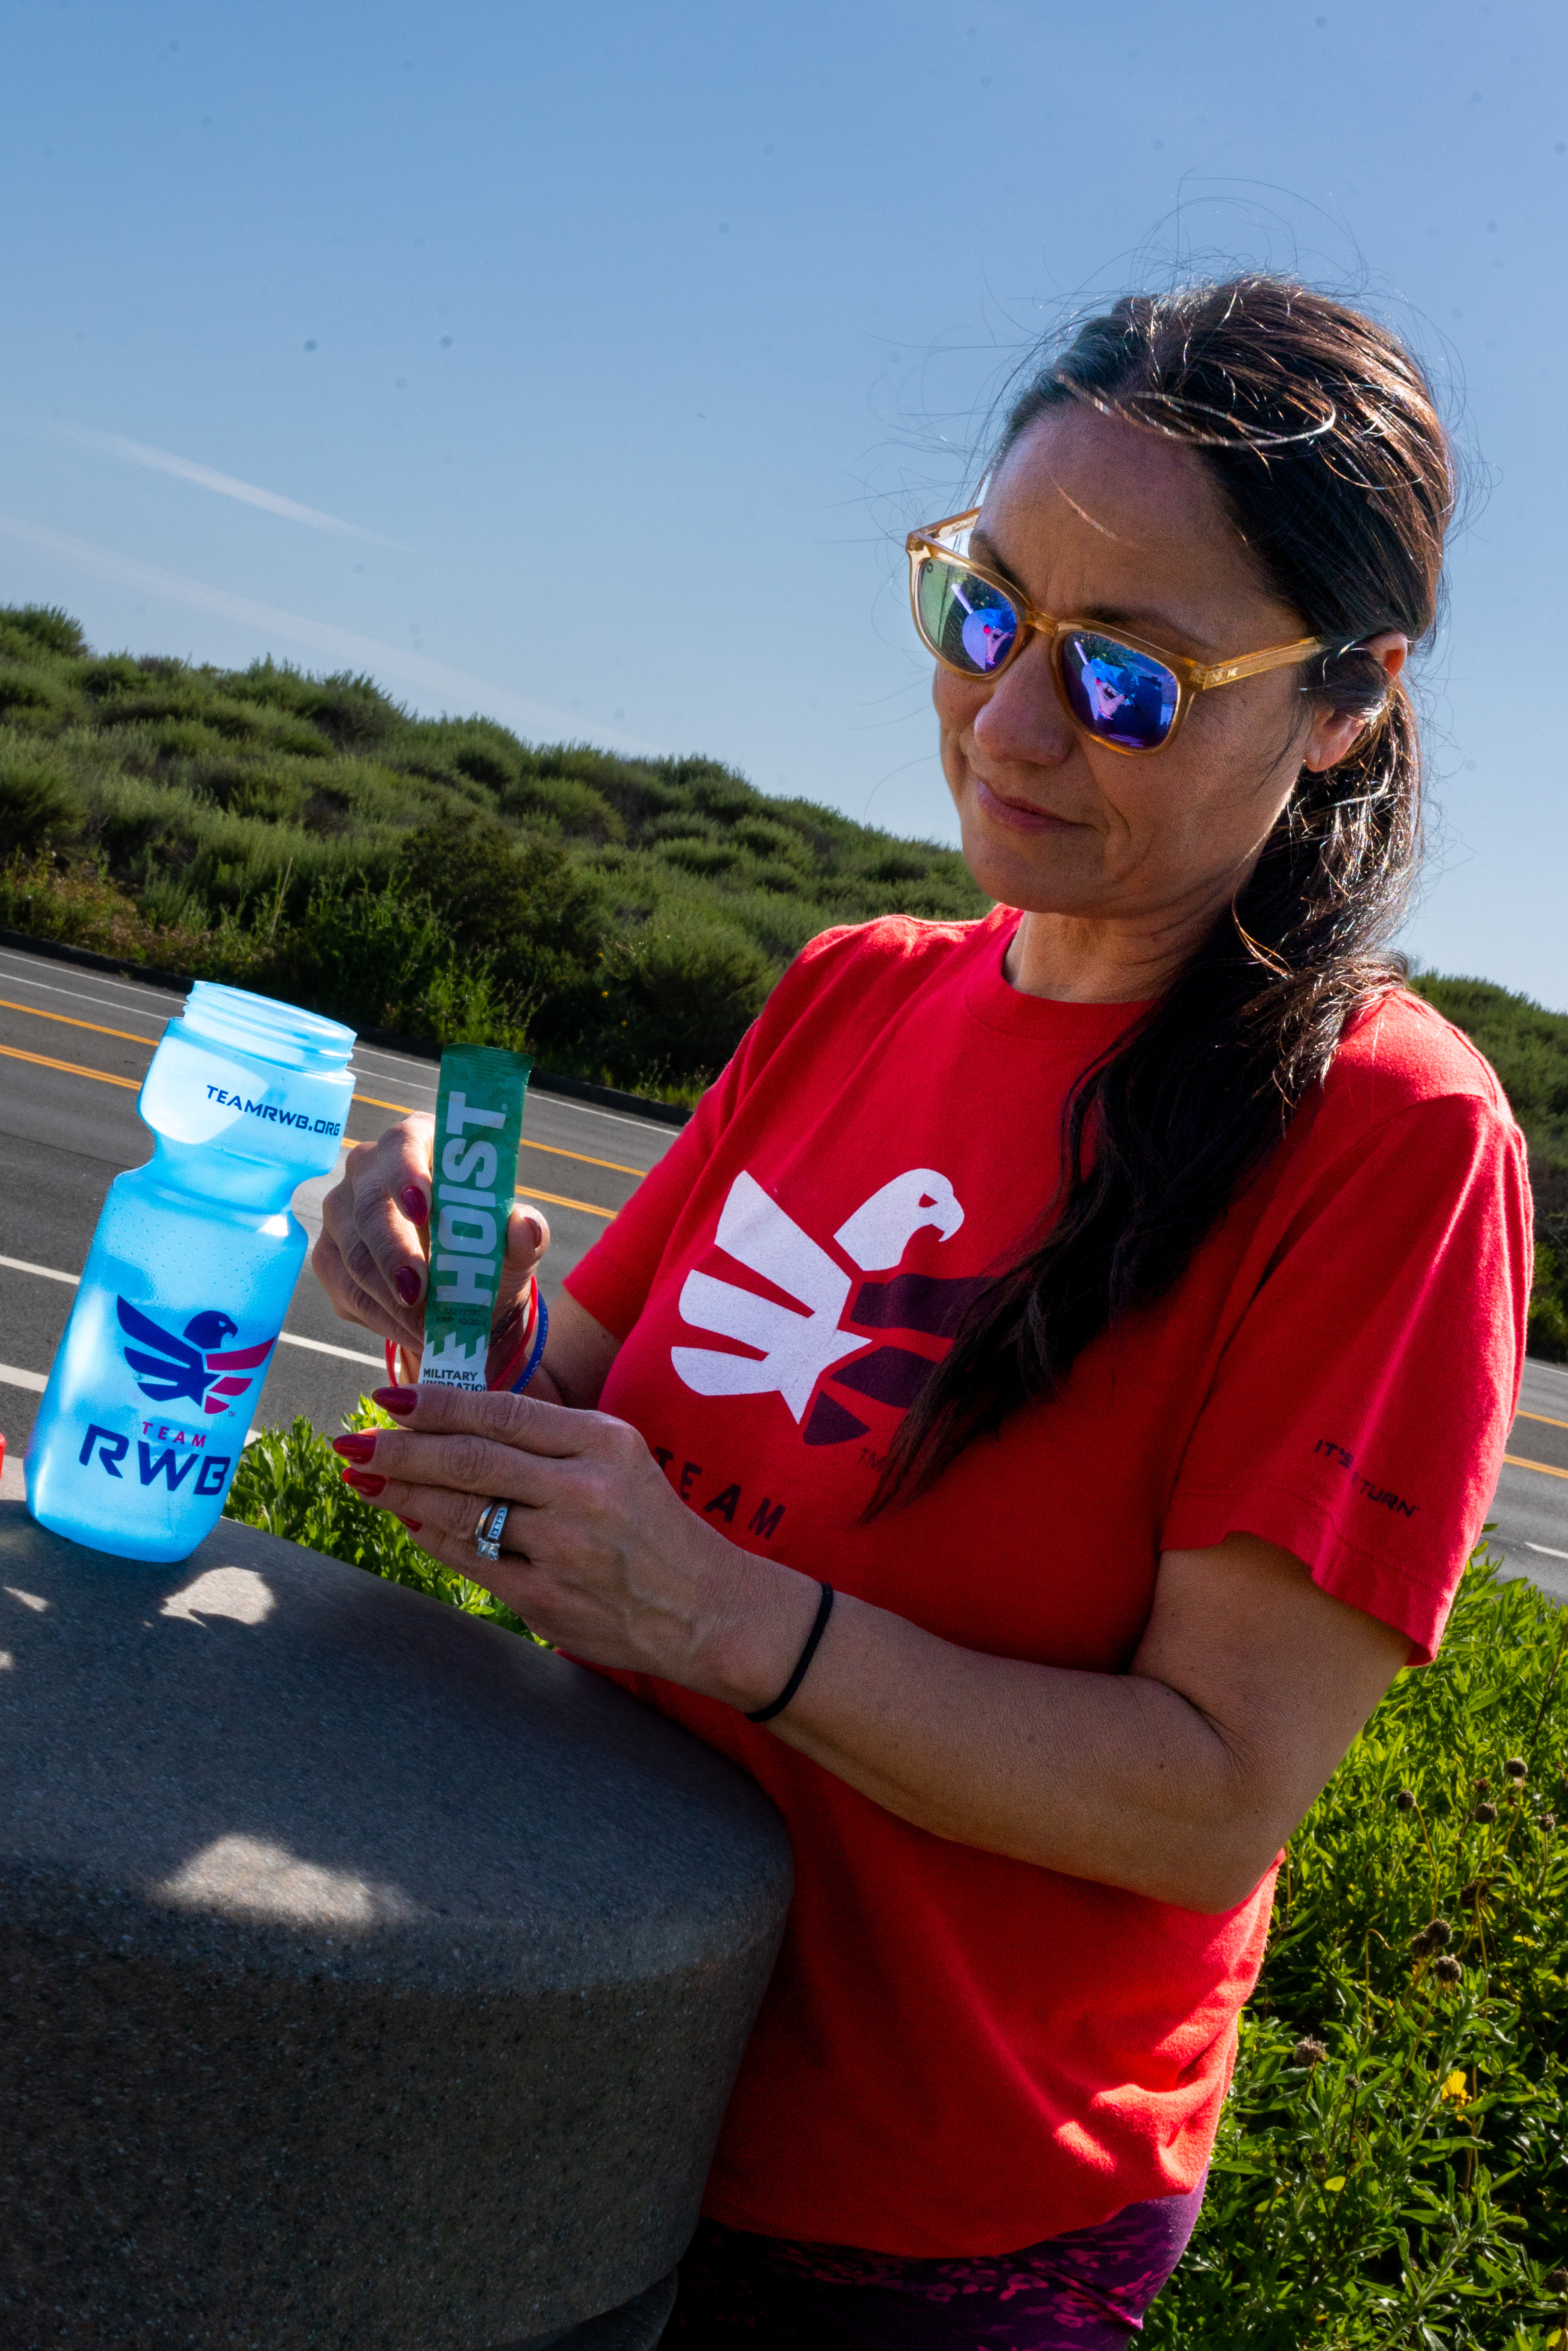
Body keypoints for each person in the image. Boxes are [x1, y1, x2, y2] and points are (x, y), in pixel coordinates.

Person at [312, 276, 1532, 2348]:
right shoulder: (850, 985)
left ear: (1341, 696)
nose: (1011, 720)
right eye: (983, 609)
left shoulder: (1388, 1139)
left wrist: (721, 1611)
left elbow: (1202, 1789)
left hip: (921, 2218)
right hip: (563, 2017)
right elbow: (588, 1453)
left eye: (1130, 677)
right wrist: (467, 1340)